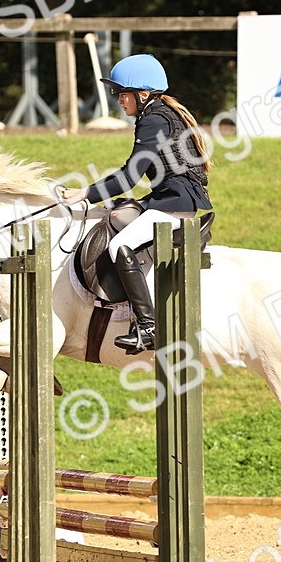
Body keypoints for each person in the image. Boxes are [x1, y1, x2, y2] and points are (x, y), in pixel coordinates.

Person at [58, 54, 212, 354]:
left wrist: (86, 193)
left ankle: (148, 326)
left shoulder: (153, 120)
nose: (118, 100)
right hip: (166, 198)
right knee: (116, 214)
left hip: (174, 204)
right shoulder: (160, 114)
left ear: (143, 94)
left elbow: (129, 176)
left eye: (122, 93)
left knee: (120, 246)